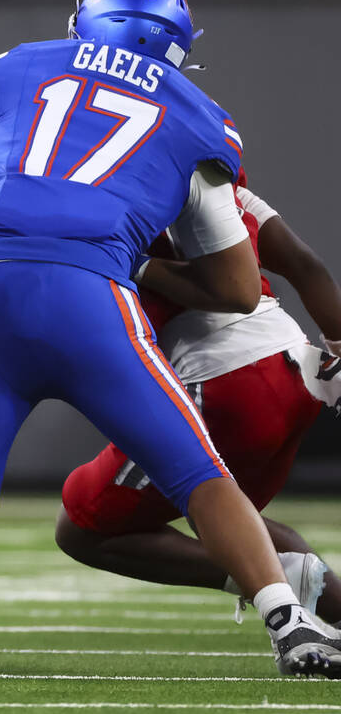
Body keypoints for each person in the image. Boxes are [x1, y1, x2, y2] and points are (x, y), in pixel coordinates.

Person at [0, 0, 341, 678]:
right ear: (177, 48)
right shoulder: (194, 113)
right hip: (89, 299)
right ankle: (289, 624)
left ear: (83, 21)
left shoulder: (15, 69)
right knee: (200, 475)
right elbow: (242, 287)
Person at [56, 175, 341, 624]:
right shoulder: (216, 178)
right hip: (296, 369)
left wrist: (141, 266)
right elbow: (306, 266)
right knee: (228, 518)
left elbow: (232, 293)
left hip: (225, 382)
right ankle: (305, 597)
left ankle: (270, 583)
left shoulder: (107, 185)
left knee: (82, 523)